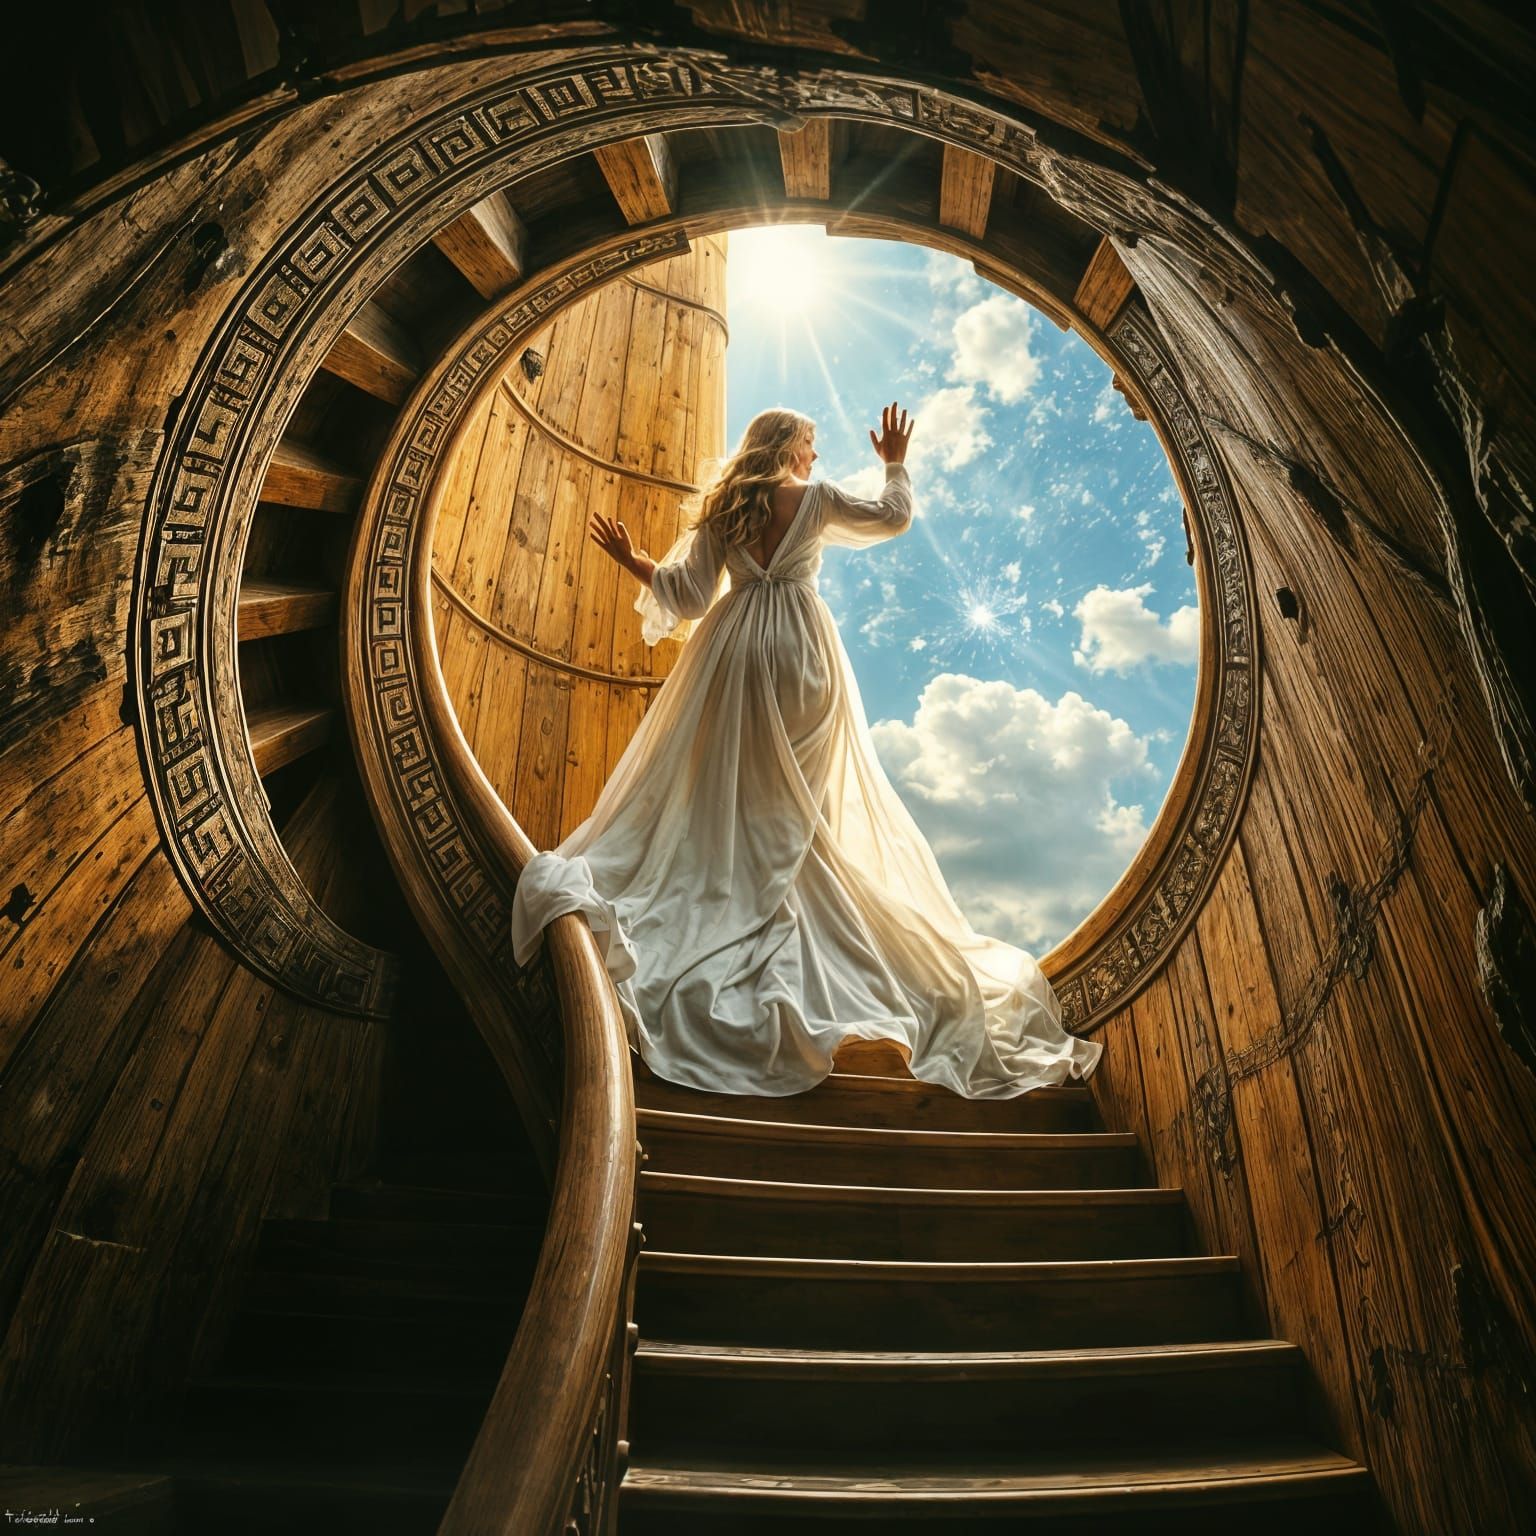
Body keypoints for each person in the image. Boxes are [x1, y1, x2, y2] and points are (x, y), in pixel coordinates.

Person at [509, 402, 1102, 1098]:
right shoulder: (814, 500)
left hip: (731, 657)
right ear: (789, 444)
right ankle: (783, 907)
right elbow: (893, 518)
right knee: (800, 808)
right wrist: (895, 462)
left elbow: (691, 597)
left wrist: (631, 559)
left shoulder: (726, 507)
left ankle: (735, 902)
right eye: (811, 443)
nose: (816, 457)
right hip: (800, 656)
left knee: (728, 793)